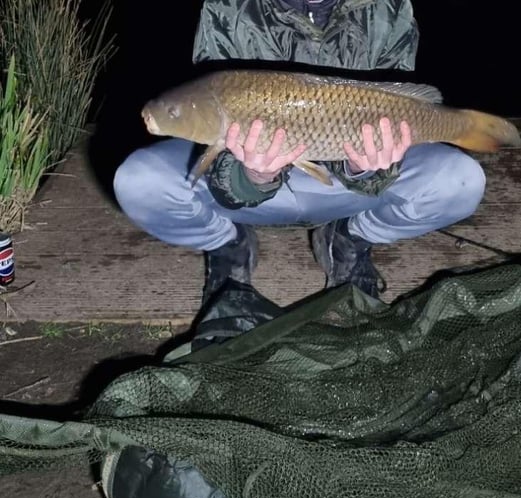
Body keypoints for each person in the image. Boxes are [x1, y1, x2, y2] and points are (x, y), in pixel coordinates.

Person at [113, 0, 486, 304]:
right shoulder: (228, 8)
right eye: (174, 111)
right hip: (250, 191)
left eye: (173, 111)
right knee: (139, 181)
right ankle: (227, 244)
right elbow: (219, 146)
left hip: (343, 189)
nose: (158, 114)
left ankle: (350, 238)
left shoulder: (386, 8)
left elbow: (397, 102)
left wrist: (365, 168)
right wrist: (252, 175)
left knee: (461, 181)